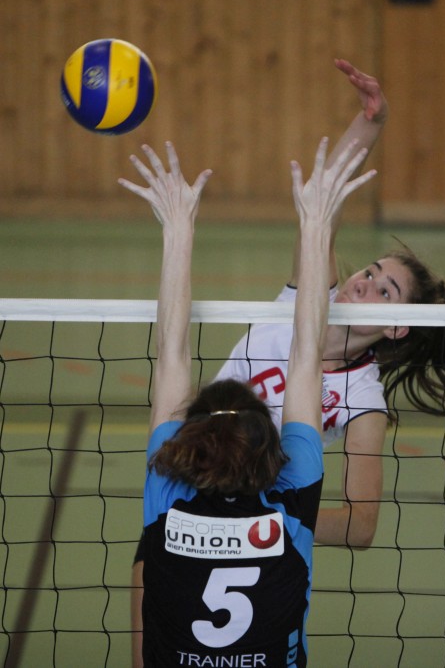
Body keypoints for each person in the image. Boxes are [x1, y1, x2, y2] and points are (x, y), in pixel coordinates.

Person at [118, 135, 376, 667]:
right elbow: (308, 355)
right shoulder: (291, 503)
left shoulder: (168, 494)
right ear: (270, 447)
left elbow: (172, 353)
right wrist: (315, 224)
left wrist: (178, 228)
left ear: (189, 441)